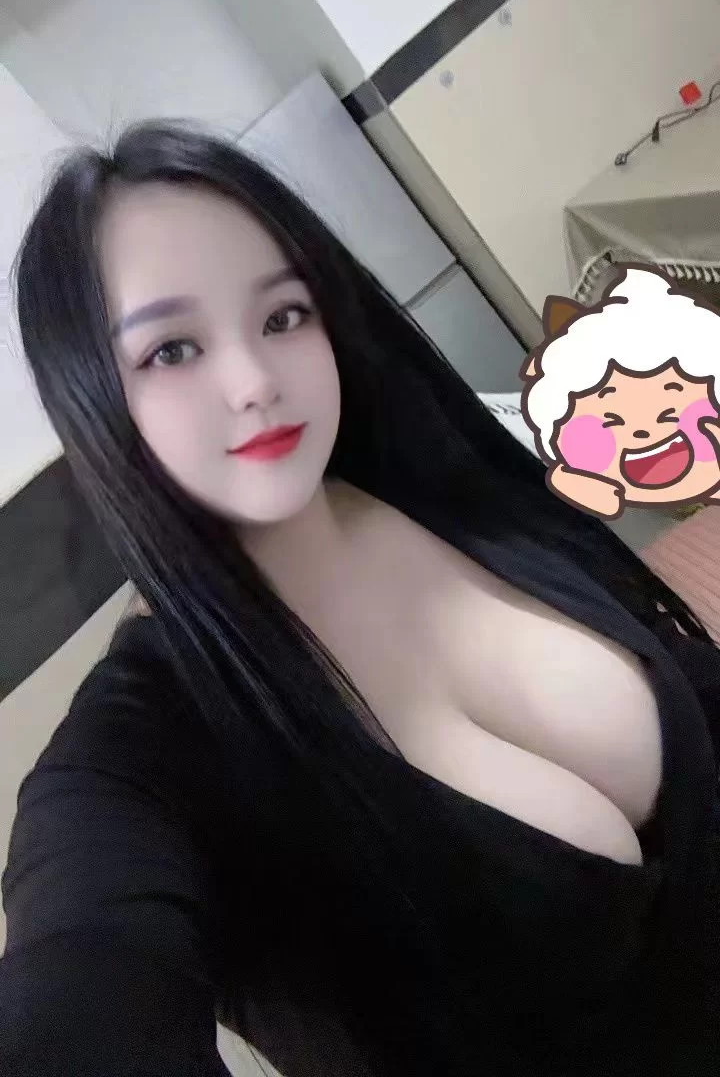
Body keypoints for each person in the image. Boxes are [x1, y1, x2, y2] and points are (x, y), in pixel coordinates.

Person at [1, 121, 719, 1077]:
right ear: (91, 393)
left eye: (282, 316)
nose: (254, 382)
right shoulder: (144, 747)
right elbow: (85, 970)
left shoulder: (431, 470)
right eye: (171, 350)